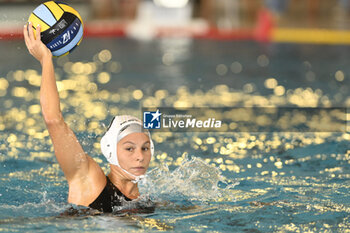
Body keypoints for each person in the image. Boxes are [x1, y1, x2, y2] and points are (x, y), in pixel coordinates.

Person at [23, 22, 154, 213]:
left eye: (145, 148)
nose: (139, 157)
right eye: (129, 148)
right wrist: (46, 60)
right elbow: (53, 119)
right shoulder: (88, 178)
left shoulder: (146, 203)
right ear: (110, 151)